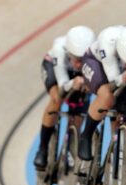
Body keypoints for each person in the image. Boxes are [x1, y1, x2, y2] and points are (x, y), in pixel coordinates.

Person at [78, 26, 126, 161]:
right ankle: (86, 136)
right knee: (107, 96)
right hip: (96, 62)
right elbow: (113, 83)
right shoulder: (108, 42)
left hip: (119, 67)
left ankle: (116, 143)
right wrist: (123, 77)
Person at [33, 25, 95, 170]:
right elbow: (62, 86)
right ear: (69, 52)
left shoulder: (94, 52)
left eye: (84, 60)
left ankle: (70, 145)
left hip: (75, 77)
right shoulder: (59, 50)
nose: (80, 64)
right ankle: (42, 149)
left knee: (81, 106)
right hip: (54, 69)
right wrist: (74, 82)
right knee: (56, 100)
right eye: (77, 60)